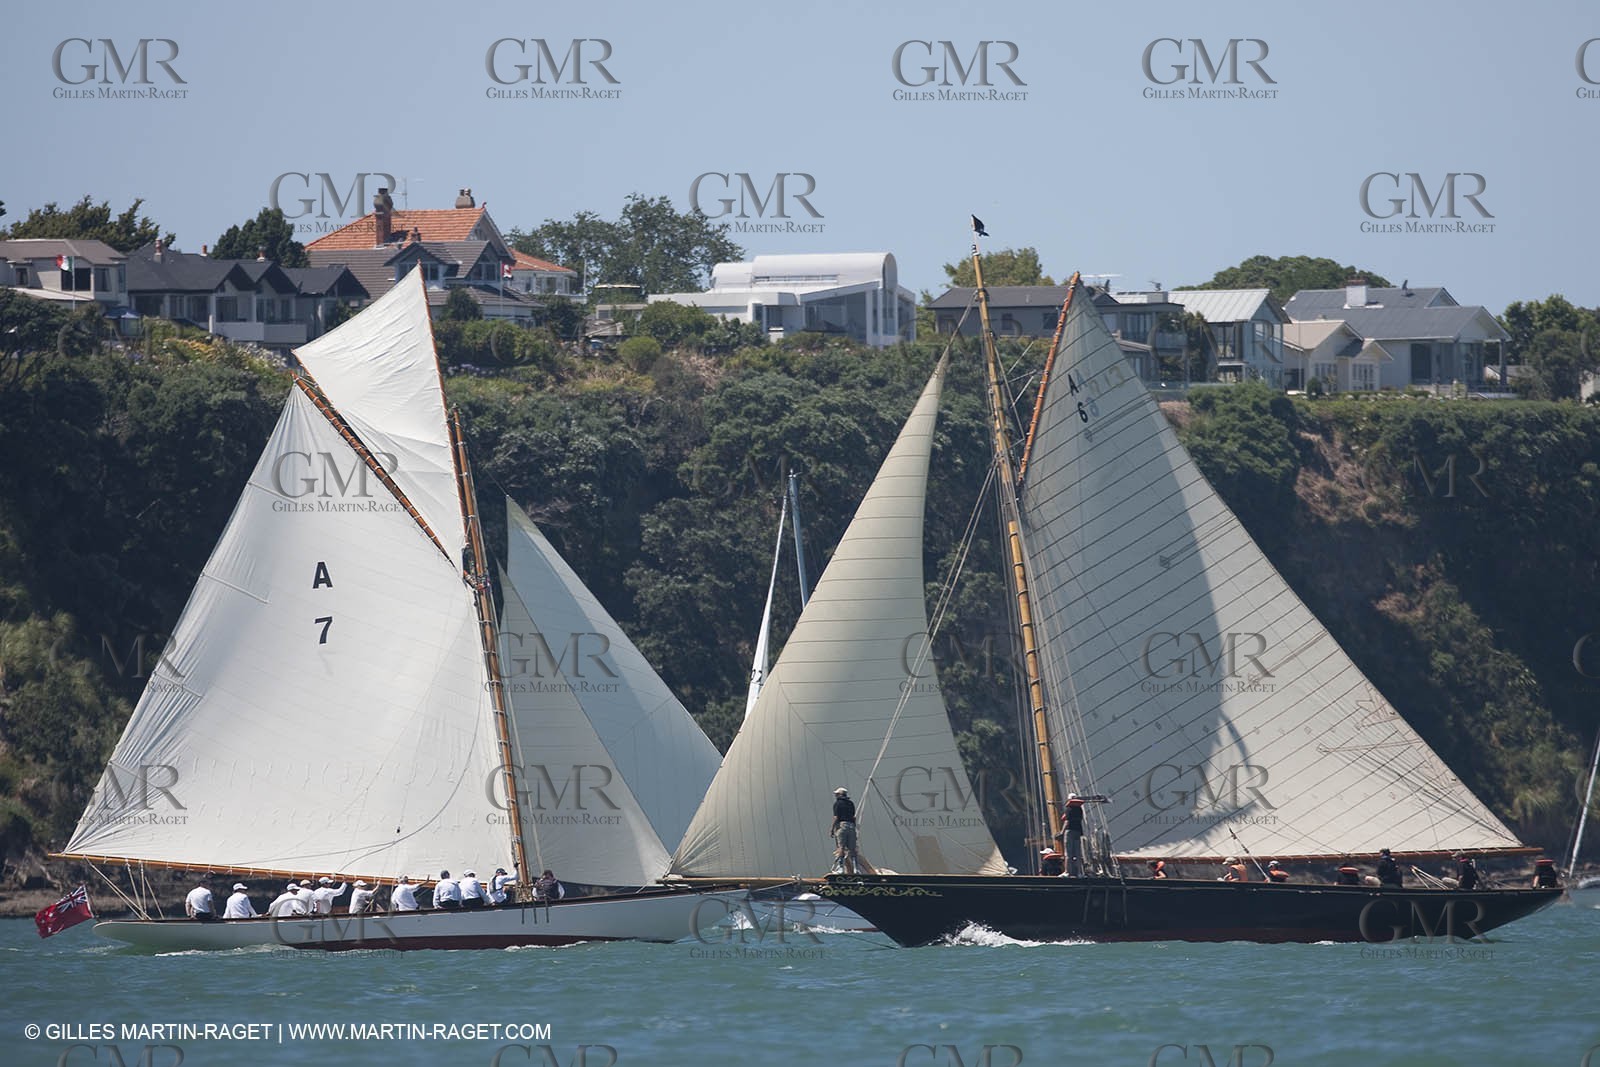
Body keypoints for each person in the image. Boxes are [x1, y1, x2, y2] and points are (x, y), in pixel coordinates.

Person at [830, 787, 860, 875]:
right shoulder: (851, 803)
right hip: (851, 826)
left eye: (836, 794)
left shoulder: (837, 804)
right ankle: (856, 869)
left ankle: (841, 869)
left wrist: (832, 829)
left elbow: (836, 817)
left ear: (839, 794)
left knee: (841, 847)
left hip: (842, 826)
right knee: (852, 849)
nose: (835, 795)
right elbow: (854, 817)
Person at [1059, 793, 1087, 877]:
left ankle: (1067, 872)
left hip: (1070, 831)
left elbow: (1067, 821)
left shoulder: (1069, 808)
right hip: (1078, 832)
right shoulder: (1079, 810)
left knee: (1068, 853)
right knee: (1078, 853)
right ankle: (1079, 872)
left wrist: (1062, 832)